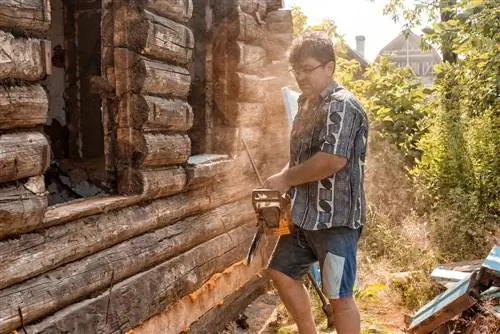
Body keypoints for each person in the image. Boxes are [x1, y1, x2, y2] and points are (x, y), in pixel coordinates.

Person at [264, 31, 368, 334]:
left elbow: (331, 160)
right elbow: (300, 159)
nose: (300, 76)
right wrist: (280, 184)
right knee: (281, 272)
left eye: (307, 68)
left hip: (336, 221)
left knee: (339, 297)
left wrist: (285, 178)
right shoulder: (305, 106)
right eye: (296, 69)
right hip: (304, 217)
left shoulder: (342, 105)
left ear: (329, 67)